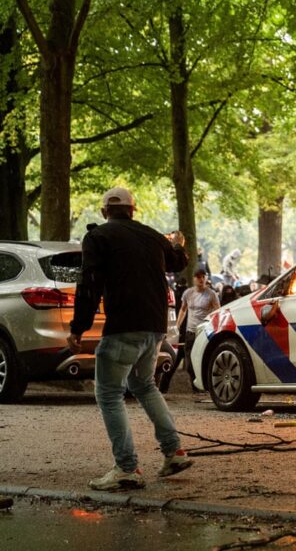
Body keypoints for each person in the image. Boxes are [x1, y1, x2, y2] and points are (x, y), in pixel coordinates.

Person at [68, 187, 192, 490]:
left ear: (103, 212)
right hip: (155, 327)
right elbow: (178, 261)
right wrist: (177, 244)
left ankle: (127, 467)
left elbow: (89, 285)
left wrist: (78, 327)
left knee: (109, 394)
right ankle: (173, 451)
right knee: (144, 385)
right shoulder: (151, 236)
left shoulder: (98, 237)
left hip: (123, 325)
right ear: (133, 211)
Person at [176, 267, 220, 385]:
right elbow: (183, 309)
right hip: (190, 331)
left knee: (202, 359)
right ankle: (196, 384)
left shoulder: (211, 294)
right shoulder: (188, 293)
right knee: (189, 362)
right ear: (194, 279)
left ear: (206, 278)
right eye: (198, 277)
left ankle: (201, 386)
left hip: (204, 332)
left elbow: (218, 311)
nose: (201, 279)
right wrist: (178, 325)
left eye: (203, 277)